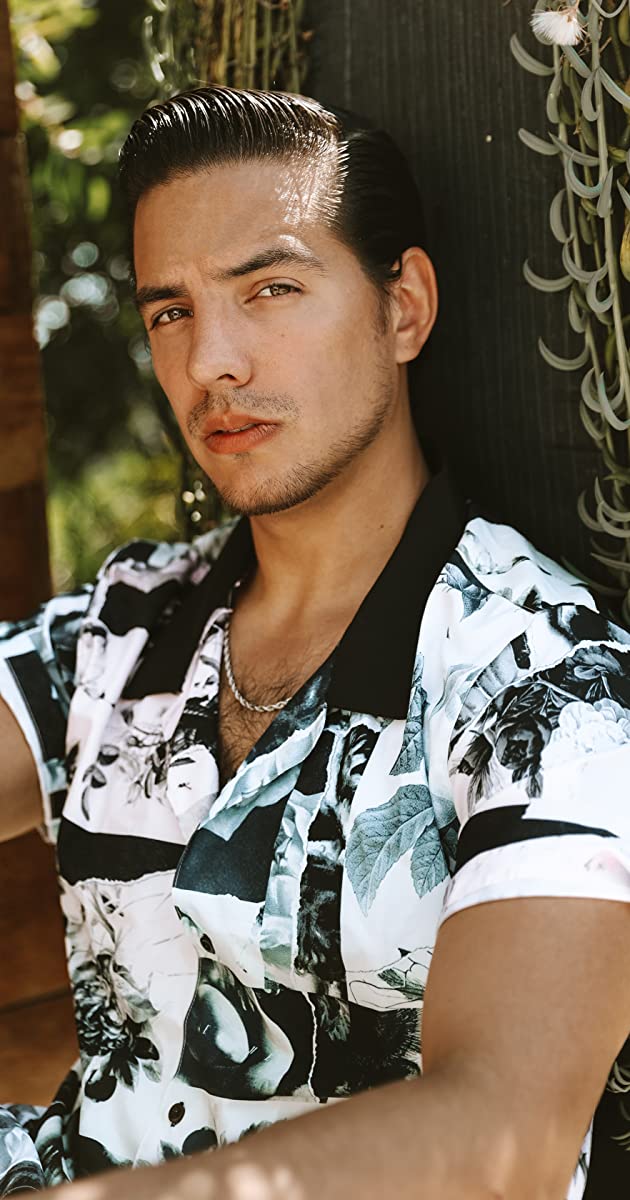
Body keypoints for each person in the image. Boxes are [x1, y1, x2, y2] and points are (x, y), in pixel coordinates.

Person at [0, 85, 629, 1200]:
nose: (212, 363)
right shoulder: (127, 624)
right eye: (171, 312)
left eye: (271, 290)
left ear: (404, 309)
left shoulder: (548, 684)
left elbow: (509, 1134)